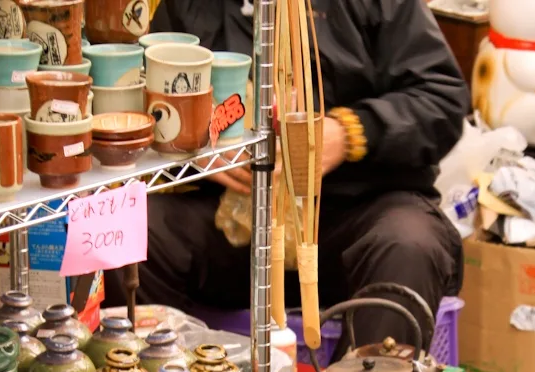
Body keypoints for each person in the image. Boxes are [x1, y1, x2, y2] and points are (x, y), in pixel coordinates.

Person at [105, 0, 469, 349]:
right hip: (235, 219)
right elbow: (143, 102)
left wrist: (346, 134)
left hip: (354, 211)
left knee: (408, 244)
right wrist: (195, 148)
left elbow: (442, 98)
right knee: (130, 231)